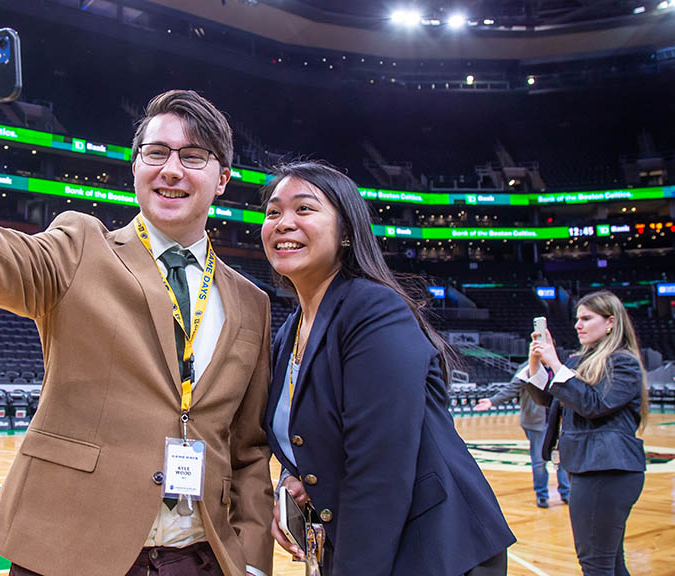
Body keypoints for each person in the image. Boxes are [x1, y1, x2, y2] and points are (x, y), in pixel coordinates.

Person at [0, 33, 274, 576]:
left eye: (193, 156)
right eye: (156, 153)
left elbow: (247, 454)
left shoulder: (253, 303)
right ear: (135, 169)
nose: (171, 169)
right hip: (70, 550)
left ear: (222, 179)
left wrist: (250, 562)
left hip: (200, 558)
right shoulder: (81, 246)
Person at [260, 161, 515, 575]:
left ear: (346, 233)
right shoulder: (290, 330)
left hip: (434, 549)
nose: (284, 223)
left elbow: (379, 469)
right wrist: (293, 480)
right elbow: (310, 439)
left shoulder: (373, 308)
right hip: (368, 542)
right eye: (273, 212)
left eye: (304, 209)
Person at [525, 291, 647, 576]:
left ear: (610, 323)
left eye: (586, 318)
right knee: (610, 563)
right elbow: (550, 399)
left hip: (607, 470)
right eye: (577, 319)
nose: (578, 325)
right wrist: (536, 362)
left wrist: (555, 363)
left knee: (596, 565)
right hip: (591, 468)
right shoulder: (579, 360)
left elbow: (594, 404)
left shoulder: (623, 363)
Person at [474, 360, 571, 508]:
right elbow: (512, 388)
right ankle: (542, 495)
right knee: (539, 461)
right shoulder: (527, 368)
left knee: (562, 459)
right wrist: (492, 401)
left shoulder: (557, 365)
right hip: (536, 423)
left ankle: (566, 493)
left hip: (557, 421)